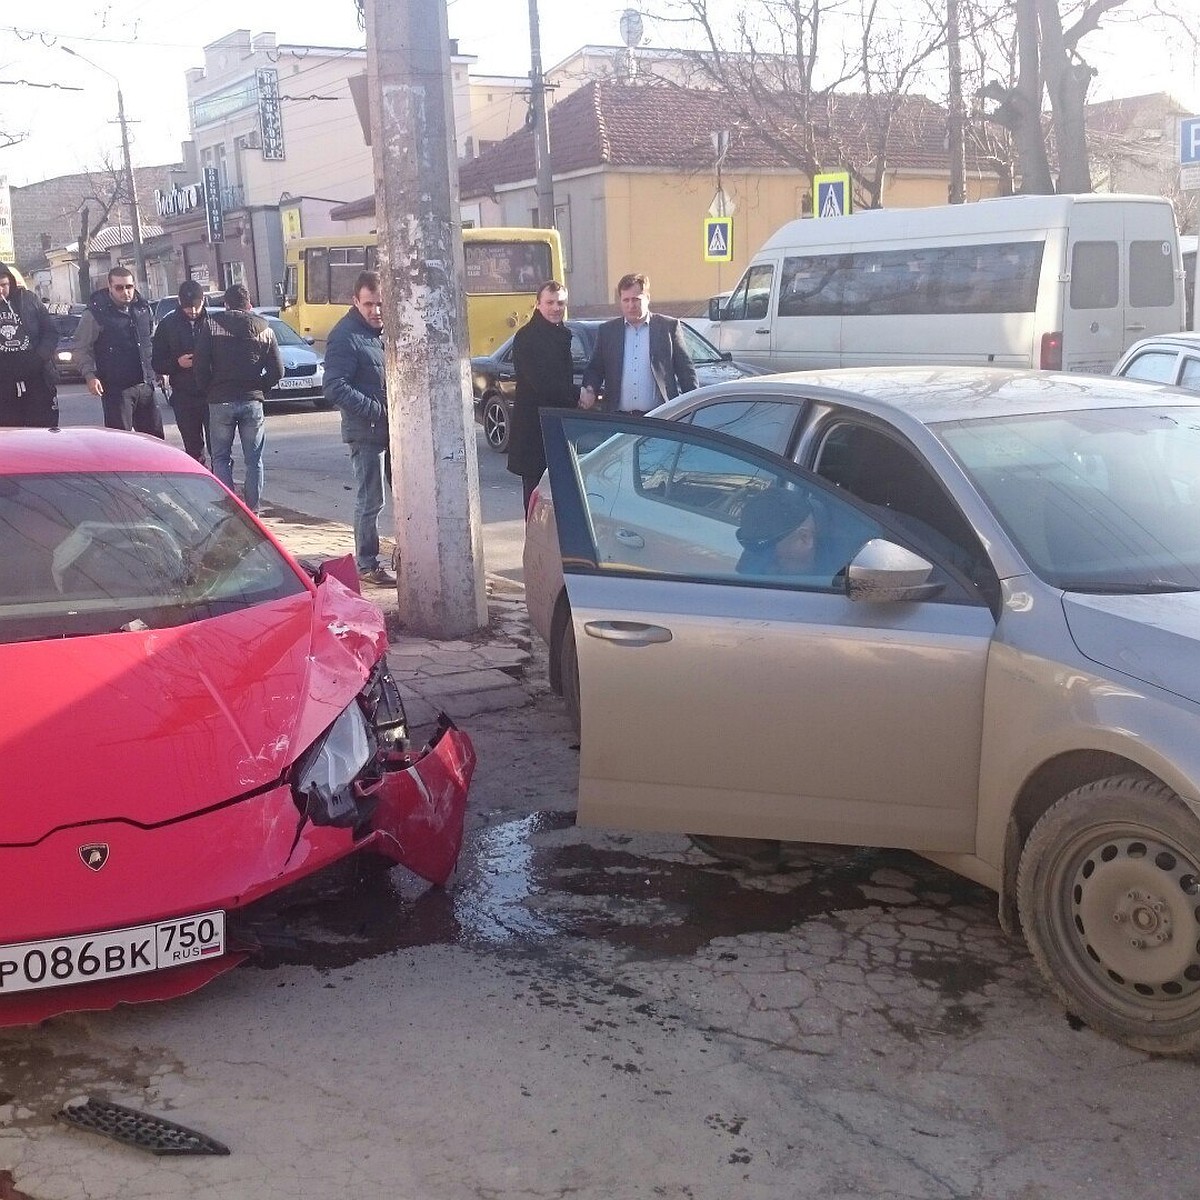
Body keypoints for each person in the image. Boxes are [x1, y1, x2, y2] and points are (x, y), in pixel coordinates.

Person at [322, 270, 395, 586]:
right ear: (355, 301)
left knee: (401, 497)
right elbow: (334, 386)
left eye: (380, 304)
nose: (376, 311)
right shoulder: (345, 335)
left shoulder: (379, 332)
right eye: (369, 304)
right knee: (371, 499)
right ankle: (366, 563)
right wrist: (375, 410)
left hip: (392, 430)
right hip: (366, 432)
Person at [194, 283, 282, 515]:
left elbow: (200, 365)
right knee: (254, 459)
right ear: (249, 305)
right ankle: (253, 510)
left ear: (226, 304)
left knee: (221, 457)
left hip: (220, 400)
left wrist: (209, 389)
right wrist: (260, 387)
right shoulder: (266, 329)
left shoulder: (211, 325)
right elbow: (277, 371)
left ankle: (229, 509)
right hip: (252, 401)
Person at [579, 272, 697, 415]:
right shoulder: (608, 331)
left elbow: (685, 371)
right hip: (618, 417)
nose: (631, 305)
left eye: (636, 299)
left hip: (660, 416)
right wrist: (590, 390)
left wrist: (693, 407)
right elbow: (595, 369)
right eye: (626, 300)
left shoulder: (668, 327)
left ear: (647, 298)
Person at [506, 280, 578, 512]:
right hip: (533, 433)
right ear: (538, 304)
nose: (556, 308)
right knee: (535, 501)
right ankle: (535, 546)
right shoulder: (526, 337)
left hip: (557, 428)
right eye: (550, 303)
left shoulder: (562, 334)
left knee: (560, 502)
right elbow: (543, 384)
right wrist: (579, 395)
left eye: (561, 303)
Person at [74, 266, 163, 437]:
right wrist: (90, 376)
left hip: (145, 385)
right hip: (117, 389)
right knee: (120, 442)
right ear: (110, 287)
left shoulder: (143, 308)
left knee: (155, 441)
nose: (125, 292)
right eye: (119, 288)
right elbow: (82, 347)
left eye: (129, 287)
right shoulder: (96, 313)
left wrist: (159, 369)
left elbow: (150, 342)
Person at [151, 280, 210, 465]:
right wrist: (177, 364)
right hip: (184, 395)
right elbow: (157, 362)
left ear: (203, 301)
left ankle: (221, 484)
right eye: (187, 308)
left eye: (196, 307)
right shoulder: (168, 325)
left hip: (211, 393)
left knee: (219, 446)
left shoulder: (213, 322)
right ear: (179, 301)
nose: (192, 311)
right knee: (192, 447)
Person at [0, 263, 59, 428]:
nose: (1, 290)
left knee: (42, 431)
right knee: (8, 435)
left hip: (37, 376)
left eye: (4, 285)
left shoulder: (28, 300)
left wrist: (39, 357)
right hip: (4, 383)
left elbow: (50, 332)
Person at [735, 488, 819, 576]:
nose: (769, 572)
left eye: (775, 561)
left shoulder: (834, 567)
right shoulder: (757, 548)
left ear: (804, 538)